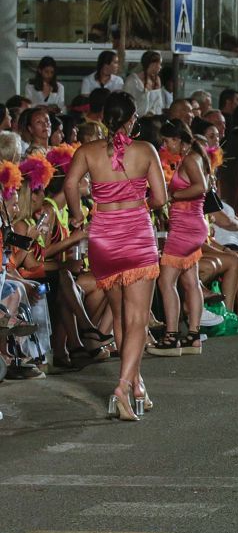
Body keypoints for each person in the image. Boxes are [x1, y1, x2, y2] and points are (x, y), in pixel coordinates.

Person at [64, 91, 168, 421]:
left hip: (103, 237)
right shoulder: (146, 150)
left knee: (120, 314)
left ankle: (137, 383)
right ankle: (123, 386)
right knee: (138, 317)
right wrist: (136, 205)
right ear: (131, 120)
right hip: (136, 234)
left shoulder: (87, 151)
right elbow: (161, 198)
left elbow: (69, 185)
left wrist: (78, 217)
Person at [148, 120, 210, 358]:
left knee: (166, 281)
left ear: (178, 139)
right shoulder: (193, 158)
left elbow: (201, 187)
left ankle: (171, 336)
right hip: (192, 226)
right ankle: (193, 336)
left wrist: (172, 194)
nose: (165, 145)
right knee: (191, 281)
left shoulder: (191, 159)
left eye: (167, 140)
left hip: (186, 227)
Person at [123, 51, 166, 117]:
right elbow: (126, 104)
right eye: (159, 64)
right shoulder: (132, 81)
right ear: (152, 64)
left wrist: (152, 113)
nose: (160, 67)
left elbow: (158, 104)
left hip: (152, 120)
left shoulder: (157, 80)